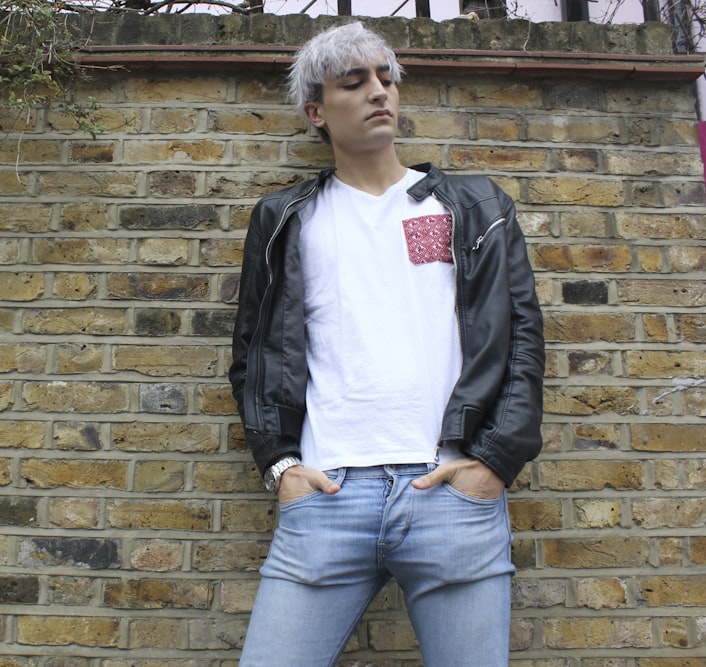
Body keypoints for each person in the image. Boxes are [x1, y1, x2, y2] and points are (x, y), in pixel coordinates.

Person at [228, 21, 545, 667]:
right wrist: (282, 466)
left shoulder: (475, 207)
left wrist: (492, 463)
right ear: (317, 111)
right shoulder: (285, 217)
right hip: (328, 498)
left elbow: (522, 342)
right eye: (355, 82)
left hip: (453, 496)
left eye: (386, 77)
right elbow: (255, 352)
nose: (379, 91)